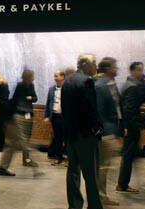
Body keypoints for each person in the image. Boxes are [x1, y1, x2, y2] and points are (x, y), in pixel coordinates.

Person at [61, 54, 103, 209]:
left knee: (73, 171)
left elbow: (65, 109)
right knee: (91, 174)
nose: (96, 67)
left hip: (70, 134)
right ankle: (94, 206)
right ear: (85, 64)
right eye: (94, 63)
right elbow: (90, 109)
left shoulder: (67, 81)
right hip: (85, 135)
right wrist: (97, 129)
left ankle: (74, 205)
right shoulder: (86, 81)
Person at [116, 62, 145, 194]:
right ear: (133, 71)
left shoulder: (128, 85)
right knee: (128, 156)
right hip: (131, 127)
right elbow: (129, 110)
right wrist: (131, 126)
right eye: (139, 70)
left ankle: (123, 184)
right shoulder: (132, 87)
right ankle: (123, 184)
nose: (141, 73)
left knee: (128, 156)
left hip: (129, 126)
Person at [94, 57, 123, 206]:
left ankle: (101, 195)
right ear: (107, 69)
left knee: (105, 166)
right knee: (102, 167)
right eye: (114, 66)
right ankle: (100, 196)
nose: (116, 68)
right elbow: (99, 112)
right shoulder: (100, 86)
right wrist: (104, 133)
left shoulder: (111, 84)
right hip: (105, 132)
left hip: (112, 130)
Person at [10, 69, 38, 167]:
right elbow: (15, 99)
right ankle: (27, 159)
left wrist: (31, 98)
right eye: (33, 75)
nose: (34, 77)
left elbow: (35, 98)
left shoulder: (31, 85)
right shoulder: (20, 85)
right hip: (20, 114)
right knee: (23, 138)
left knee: (27, 137)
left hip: (28, 114)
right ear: (28, 76)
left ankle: (26, 159)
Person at [44, 70, 66, 166]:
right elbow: (48, 102)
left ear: (62, 77)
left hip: (65, 117)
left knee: (67, 139)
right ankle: (58, 157)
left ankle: (70, 158)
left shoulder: (67, 89)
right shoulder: (51, 89)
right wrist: (47, 116)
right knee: (57, 138)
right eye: (54, 76)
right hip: (55, 117)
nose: (55, 78)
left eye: (56, 76)